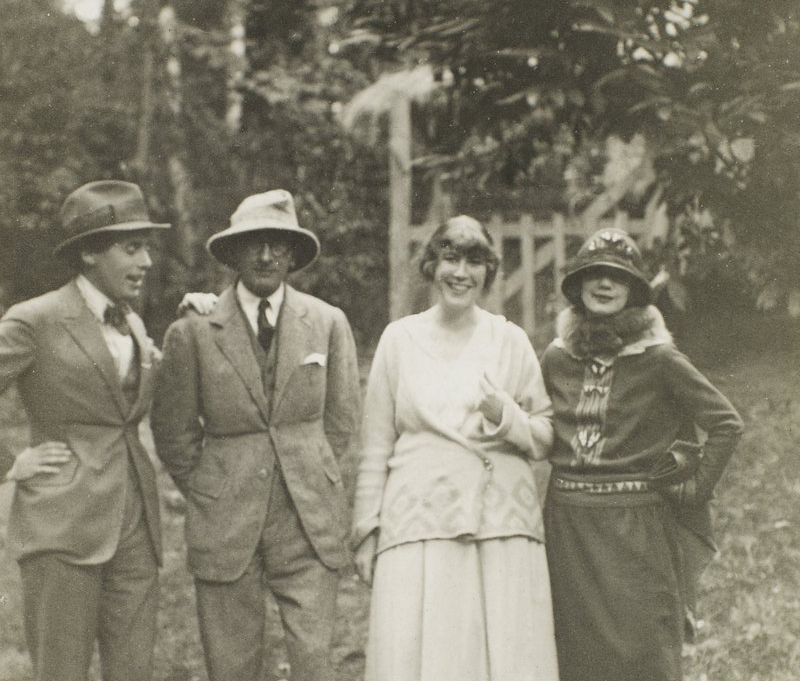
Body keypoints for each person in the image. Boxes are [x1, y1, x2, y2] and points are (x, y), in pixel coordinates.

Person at [150, 189, 361, 681]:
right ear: (233, 253)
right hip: (225, 519)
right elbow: (173, 432)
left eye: (278, 244)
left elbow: (341, 417)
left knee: (314, 661)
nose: (266, 256)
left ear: (292, 254)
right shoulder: (194, 331)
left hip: (306, 516)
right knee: (232, 664)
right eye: (254, 244)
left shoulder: (328, 323)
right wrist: (210, 485)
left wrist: (309, 466)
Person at [352, 215, 560, 681]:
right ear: (432, 265)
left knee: (504, 654)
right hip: (419, 522)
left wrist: (506, 416)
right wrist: (367, 529)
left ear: (489, 272)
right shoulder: (399, 340)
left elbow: (546, 437)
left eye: (474, 262)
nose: (461, 273)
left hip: (500, 523)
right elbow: (375, 445)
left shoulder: (510, 341)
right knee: (422, 653)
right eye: (450, 259)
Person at [541, 228, 745, 681]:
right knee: (574, 654)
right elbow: (537, 424)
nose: (605, 284)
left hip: (636, 528)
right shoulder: (556, 358)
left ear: (635, 289)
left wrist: (694, 489)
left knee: (644, 651)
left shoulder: (659, 358)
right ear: (578, 285)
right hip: (568, 525)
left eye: (618, 276)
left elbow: (726, 424)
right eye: (594, 274)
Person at [0, 180, 169, 681]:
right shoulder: (35, 320)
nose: (146, 262)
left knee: (134, 671)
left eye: (147, 248)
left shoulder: (133, 323)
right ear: (91, 252)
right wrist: (11, 465)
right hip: (61, 524)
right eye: (131, 247)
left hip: (135, 522)